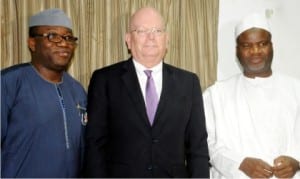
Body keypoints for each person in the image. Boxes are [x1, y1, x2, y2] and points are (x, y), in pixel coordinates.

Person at [84, 7, 209, 178]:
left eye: (157, 31)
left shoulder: (189, 83)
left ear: (167, 39)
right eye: (141, 31)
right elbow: (95, 145)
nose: (151, 37)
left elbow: (198, 147)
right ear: (128, 39)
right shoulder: (105, 80)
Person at [203, 12, 300, 178]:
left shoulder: (296, 89)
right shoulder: (216, 95)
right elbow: (205, 144)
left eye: (262, 44)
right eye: (247, 45)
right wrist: (239, 163)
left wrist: (297, 163)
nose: (255, 51)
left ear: (272, 46)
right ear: (237, 50)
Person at [1, 8, 87, 178]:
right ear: (32, 43)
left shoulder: (77, 90)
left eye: (68, 38)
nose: (63, 43)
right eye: (52, 36)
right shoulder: (9, 83)